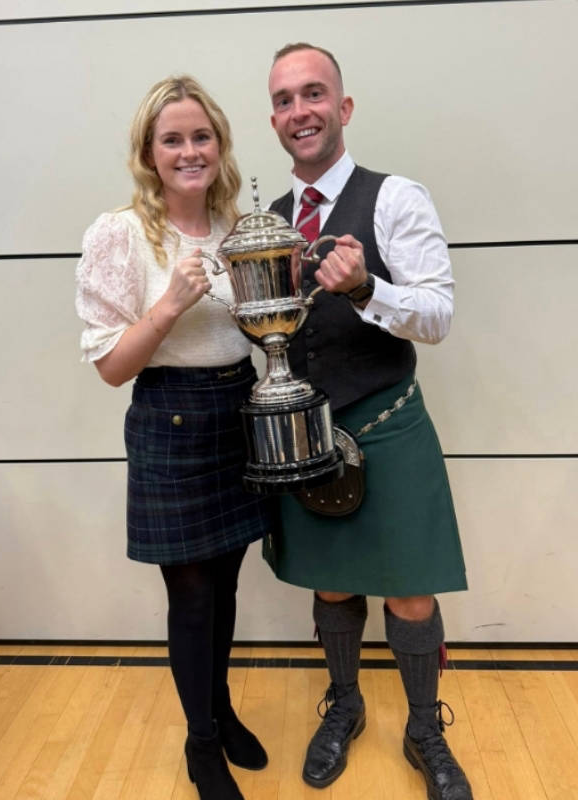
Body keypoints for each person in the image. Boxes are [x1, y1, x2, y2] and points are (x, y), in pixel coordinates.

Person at [263, 43, 473, 800]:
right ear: (275, 119)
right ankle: (345, 705)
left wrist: (365, 289)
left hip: (389, 423)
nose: (300, 111)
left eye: (313, 94)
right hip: (313, 436)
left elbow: (439, 315)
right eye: (285, 100)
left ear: (342, 108)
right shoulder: (271, 224)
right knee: (329, 588)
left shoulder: (396, 198)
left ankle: (425, 730)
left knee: (410, 593)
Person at [75, 75, 276, 800]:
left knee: (224, 584)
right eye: (173, 140)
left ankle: (218, 709)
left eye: (201, 136)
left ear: (219, 145)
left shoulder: (241, 228)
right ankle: (200, 745)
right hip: (170, 417)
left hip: (239, 412)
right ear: (149, 153)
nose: (189, 151)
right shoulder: (119, 234)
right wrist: (167, 307)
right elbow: (110, 367)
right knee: (190, 596)